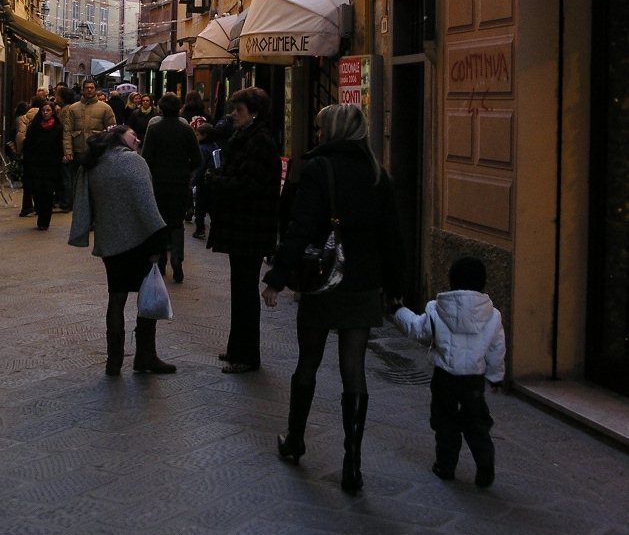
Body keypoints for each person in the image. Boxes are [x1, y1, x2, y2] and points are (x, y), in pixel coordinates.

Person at [261, 103, 405, 495]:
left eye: (322, 128)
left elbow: (301, 228)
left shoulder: (318, 169)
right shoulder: (377, 173)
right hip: (363, 282)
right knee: (352, 367)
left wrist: (276, 277)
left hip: (324, 281)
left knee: (308, 361)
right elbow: (392, 236)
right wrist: (395, 287)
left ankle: (295, 440)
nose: (318, 134)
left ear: (333, 131)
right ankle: (352, 462)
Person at [69, 125, 176, 376]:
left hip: (111, 243)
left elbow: (85, 202)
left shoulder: (95, 163)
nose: (137, 138)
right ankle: (145, 355)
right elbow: (147, 206)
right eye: (132, 134)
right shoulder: (134, 162)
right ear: (118, 135)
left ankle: (114, 361)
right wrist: (158, 244)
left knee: (116, 298)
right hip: (141, 240)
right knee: (146, 297)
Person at [389, 256, 505, 487]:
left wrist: (398, 310)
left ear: (451, 281)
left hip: (445, 379)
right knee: (477, 423)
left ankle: (445, 466)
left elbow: (417, 329)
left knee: (445, 422)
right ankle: (484, 463)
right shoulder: (493, 315)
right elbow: (496, 348)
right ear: (483, 284)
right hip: (473, 381)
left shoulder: (436, 309)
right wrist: (495, 376)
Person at [208, 87, 281, 374]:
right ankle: (238, 347)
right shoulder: (246, 137)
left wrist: (217, 181)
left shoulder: (259, 142)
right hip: (244, 225)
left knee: (245, 291)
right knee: (240, 289)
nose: (233, 115)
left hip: (250, 225)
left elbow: (249, 186)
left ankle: (247, 355)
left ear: (254, 113)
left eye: (238, 110)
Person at [141, 93, 201, 283]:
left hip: (158, 183)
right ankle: (177, 258)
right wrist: (185, 171)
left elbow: (146, 158)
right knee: (176, 223)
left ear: (160, 108)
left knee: (160, 222)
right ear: (179, 108)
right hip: (179, 183)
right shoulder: (186, 130)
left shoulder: (154, 129)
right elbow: (197, 159)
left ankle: (161, 261)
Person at [21, 99, 64, 230]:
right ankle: (40, 210)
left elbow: (60, 146)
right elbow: (28, 145)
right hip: (36, 164)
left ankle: (44, 221)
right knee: (37, 191)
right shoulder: (34, 127)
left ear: (52, 112)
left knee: (48, 192)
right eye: (43, 110)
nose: (45, 113)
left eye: (48, 110)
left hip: (52, 165)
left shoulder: (58, 127)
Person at [62, 78, 116, 167]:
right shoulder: (73, 108)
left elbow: (112, 131)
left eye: (92, 88)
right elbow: (67, 131)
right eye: (87, 88)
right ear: (83, 90)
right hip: (78, 151)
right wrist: (68, 151)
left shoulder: (106, 108)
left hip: (97, 151)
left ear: (96, 89)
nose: (89, 90)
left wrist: (109, 150)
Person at [15, 91, 47, 217]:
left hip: (29, 153)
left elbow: (20, 136)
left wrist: (19, 152)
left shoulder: (25, 117)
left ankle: (27, 206)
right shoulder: (47, 116)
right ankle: (40, 206)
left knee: (28, 180)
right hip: (43, 153)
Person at [191, 122, 218, 240]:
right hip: (213, 181)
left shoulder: (201, 149)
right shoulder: (215, 146)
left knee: (200, 207)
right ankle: (216, 229)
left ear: (204, 135)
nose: (196, 137)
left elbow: (199, 168)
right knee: (212, 206)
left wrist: (193, 182)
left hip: (203, 182)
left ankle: (200, 229)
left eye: (197, 135)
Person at [53, 85, 77, 210]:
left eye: (57, 95)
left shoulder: (66, 110)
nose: (55, 97)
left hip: (64, 148)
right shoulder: (64, 109)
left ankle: (67, 202)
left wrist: (66, 151)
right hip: (64, 147)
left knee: (67, 176)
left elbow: (65, 130)